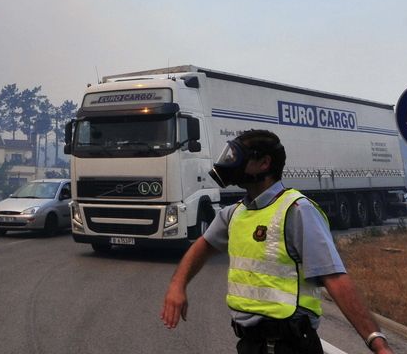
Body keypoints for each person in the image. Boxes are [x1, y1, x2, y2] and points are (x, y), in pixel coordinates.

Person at [161, 129, 393, 354]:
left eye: (238, 157)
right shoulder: (234, 213)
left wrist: (376, 342)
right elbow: (202, 246)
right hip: (250, 344)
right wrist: (177, 285)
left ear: (264, 163)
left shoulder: (297, 210)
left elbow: (334, 277)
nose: (230, 163)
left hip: (290, 344)